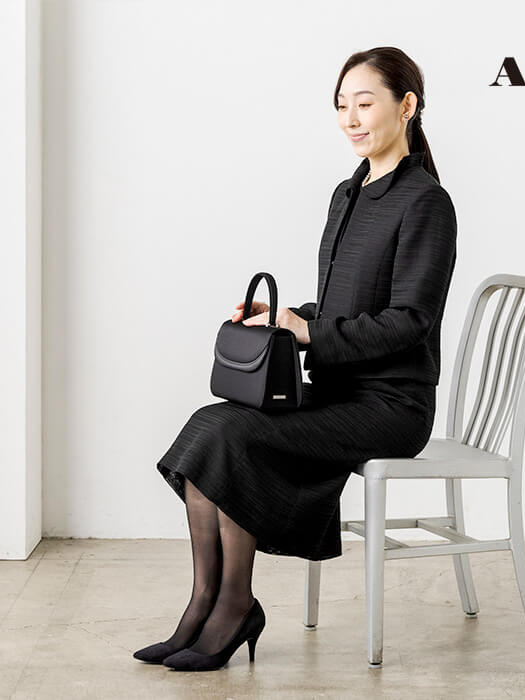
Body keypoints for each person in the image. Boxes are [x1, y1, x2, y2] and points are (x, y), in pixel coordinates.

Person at [133, 46, 458, 672]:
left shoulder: (425, 202)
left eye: (365, 103)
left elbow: (409, 322)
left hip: (391, 406)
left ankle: (233, 607)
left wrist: (307, 332)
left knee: (234, 435)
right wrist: (282, 317)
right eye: (341, 105)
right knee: (211, 424)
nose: (350, 119)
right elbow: (342, 307)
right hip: (337, 392)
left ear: (406, 106)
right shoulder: (347, 193)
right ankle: (205, 601)